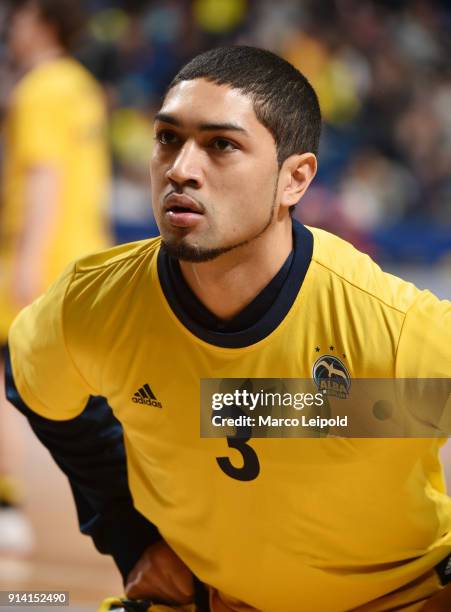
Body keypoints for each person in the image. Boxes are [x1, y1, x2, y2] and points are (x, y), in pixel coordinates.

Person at [4, 45, 451, 611]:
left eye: (221, 145)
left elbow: (251, 409)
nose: (181, 168)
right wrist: (131, 534)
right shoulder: (92, 306)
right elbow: (33, 381)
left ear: (295, 179)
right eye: (167, 138)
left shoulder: (393, 330)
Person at [0, 0, 110, 552]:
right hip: (83, 255)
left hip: (37, 258)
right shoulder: (83, 85)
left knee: (6, 377)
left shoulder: (39, 89)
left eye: (18, 17)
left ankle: (6, 502)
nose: (11, 28)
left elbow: (44, 175)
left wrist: (26, 260)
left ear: (41, 22)